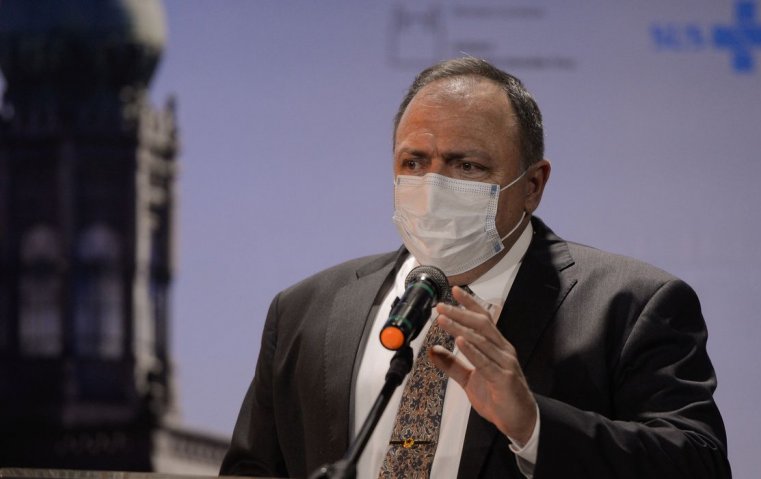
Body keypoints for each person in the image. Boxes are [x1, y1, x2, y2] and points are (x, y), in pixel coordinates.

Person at [220, 57, 731, 478]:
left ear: (533, 185)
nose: (433, 185)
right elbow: (253, 468)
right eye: (414, 162)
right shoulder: (305, 310)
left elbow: (698, 463)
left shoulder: (631, 306)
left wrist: (532, 425)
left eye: (467, 166)